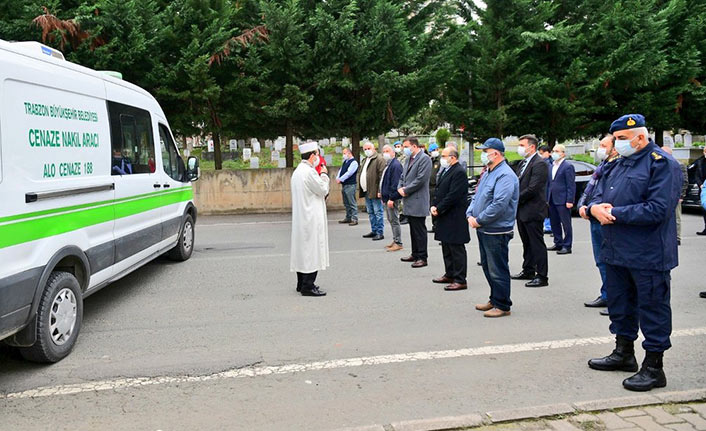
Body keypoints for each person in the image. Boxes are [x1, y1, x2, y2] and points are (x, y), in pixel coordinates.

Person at [586, 114, 681, 391]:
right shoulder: (618, 164)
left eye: (622, 139)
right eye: (615, 139)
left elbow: (658, 210)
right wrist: (593, 209)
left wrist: (612, 213)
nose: (617, 144)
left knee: (653, 308)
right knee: (620, 305)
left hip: (648, 254)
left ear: (641, 138)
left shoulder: (662, 165)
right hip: (616, 251)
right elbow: (597, 195)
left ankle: (653, 367)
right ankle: (624, 352)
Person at [467, 138, 519, 318]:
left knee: (497, 268)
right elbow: (477, 196)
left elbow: (499, 204)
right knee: (488, 267)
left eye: (485, 151)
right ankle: (495, 298)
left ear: (495, 153)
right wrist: (470, 213)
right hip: (484, 228)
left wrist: (479, 219)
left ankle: (503, 304)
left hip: (496, 229)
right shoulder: (489, 171)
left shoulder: (505, 175)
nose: (482, 154)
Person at [578, 134, 620, 315]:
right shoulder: (602, 166)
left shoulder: (618, 167)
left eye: (604, 145)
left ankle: (617, 300)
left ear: (615, 148)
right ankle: (606, 294)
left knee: (612, 262)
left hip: (606, 219)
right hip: (594, 218)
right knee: (601, 261)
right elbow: (590, 190)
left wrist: (593, 208)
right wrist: (582, 206)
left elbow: (609, 195)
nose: (600, 149)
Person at [290, 141, 330, 297]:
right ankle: (308, 285)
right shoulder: (310, 172)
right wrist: (324, 175)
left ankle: (301, 283)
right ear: (313, 155)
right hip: (311, 216)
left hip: (302, 216)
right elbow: (323, 189)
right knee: (312, 250)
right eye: (317, 154)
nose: (318, 158)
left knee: (303, 250)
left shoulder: (298, 171)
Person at [511, 134, 549, 288]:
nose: (519, 148)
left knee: (536, 243)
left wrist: (515, 199)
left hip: (533, 210)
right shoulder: (523, 163)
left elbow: (533, 188)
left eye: (522, 145)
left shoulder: (539, 164)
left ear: (531, 146)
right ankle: (528, 269)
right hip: (522, 210)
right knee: (526, 242)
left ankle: (542, 275)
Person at [431, 147, 471, 291]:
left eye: (444, 155)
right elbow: (439, 191)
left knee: (456, 247)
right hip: (445, 215)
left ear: (453, 157)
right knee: (446, 245)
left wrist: (439, 207)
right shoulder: (447, 170)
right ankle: (450, 273)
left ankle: (460, 279)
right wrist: (435, 206)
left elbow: (453, 195)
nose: (442, 158)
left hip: (454, 215)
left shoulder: (459, 172)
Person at [398, 137, 432, 268]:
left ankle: (422, 257)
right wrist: (400, 187)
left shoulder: (424, 159)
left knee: (419, 229)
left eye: (406, 146)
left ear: (414, 146)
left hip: (417, 199)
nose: (404, 149)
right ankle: (415, 253)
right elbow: (403, 176)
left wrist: (406, 190)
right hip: (408, 199)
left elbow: (421, 179)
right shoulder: (408, 159)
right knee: (413, 229)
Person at [547, 144, 575, 254]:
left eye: (557, 151)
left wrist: (570, 200)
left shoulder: (567, 166)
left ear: (563, 153)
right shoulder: (551, 166)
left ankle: (567, 245)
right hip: (552, 198)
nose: (554, 153)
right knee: (554, 222)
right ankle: (558, 243)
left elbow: (571, 185)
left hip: (563, 199)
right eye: (553, 151)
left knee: (566, 223)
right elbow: (549, 183)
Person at [357, 142, 386, 241]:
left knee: (378, 212)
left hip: (375, 190)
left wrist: (380, 190)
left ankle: (379, 232)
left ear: (374, 149)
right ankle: (374, 230)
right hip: (366, 190)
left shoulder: (379, 159)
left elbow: (382, 176)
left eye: (369, 148)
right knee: (370, 212)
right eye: (365, 149)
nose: (367, 150)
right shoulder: (365, 160)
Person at [661, 146, 688, 245]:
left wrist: (681, 196)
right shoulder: (660, 164)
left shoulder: (679, 164)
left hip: (675, 195)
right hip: (664, 195)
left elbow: (684, 181)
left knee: (676, 217)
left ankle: (677, 238)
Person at [380, 144, 404, 252]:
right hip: (387, 197)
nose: (385, 153)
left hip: (392, 198)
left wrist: (392, 198)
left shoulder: (395, 165)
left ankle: (398, 242)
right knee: (391, 219)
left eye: (387, 151)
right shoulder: (389, 164)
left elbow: (395, 184)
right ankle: (395, 240)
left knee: (394, 220)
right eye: (384, 151)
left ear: (393, 153)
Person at [336, 147, 359, 226]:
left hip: (350, 185)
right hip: (345, 184)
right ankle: (348, 217)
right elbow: (341, 170)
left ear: (349, 153)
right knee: (346, 203)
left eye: (345, 153)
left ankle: (354, 218)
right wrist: (338, 178)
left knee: (352, 202)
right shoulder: (345, 161)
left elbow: (349, 173)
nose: (343, 155)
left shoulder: (354, 162)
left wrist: (341, 179)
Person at [690, 146, 706, 235]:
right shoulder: (700, 162)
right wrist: (700, 184)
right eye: (705, 152)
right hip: (703, 189)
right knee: (704, 209)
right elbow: (697, 175)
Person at [538, 145, 553, 234]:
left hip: (547, 190)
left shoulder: (546, 164)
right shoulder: (549, 162)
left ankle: (548, 226)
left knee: (547, 209)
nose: (541, 155)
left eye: (542, 153)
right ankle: (548, 226)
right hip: (546, 189)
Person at [428, 143, 441, 233]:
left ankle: (438, 226)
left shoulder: (440, 161)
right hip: (430, 187)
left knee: (436, 208)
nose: (433, 152)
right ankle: (434, 225)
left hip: (436, 187)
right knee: (432, 207)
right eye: (431, 151)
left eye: (434, 150)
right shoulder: (431, 161)